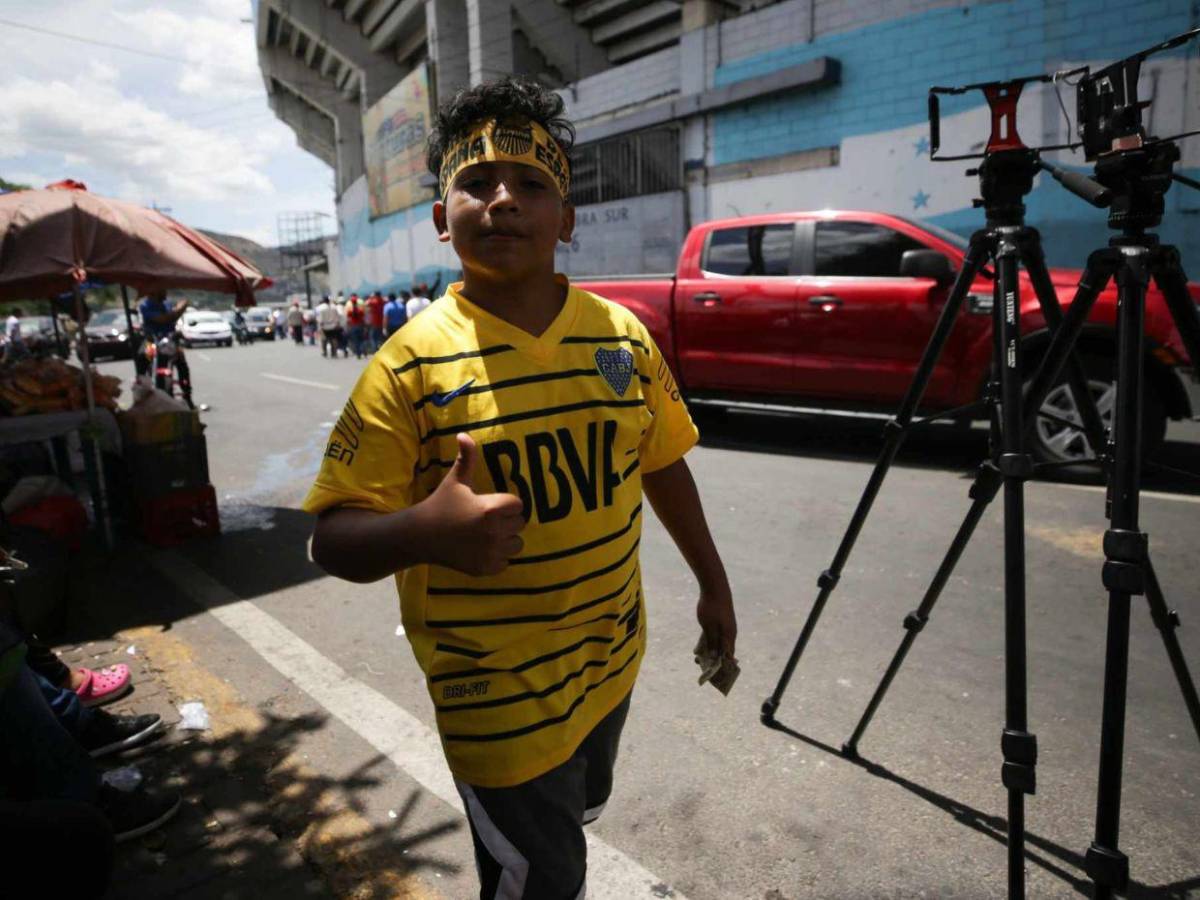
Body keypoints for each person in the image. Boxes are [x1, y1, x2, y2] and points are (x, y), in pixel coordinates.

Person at [304, 76, 737, 900]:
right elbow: (332, 538)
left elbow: (662, 462)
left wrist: (713, 585)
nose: (503, 200)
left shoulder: (623, 338)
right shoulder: (407, 365)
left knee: (573, 822)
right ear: (441, 217)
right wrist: (423, 531)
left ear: (567, 219)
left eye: (531, 184)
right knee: (543, 880)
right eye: (475, 182)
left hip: (609, 663)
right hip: (494, 698)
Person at [137, 290, 193, 408]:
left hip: (170, 341)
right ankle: (142, 390)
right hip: (152, 341)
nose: (166, 292)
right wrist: (180, 309)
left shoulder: (167, 304)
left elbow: (172, 317)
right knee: (143, 357)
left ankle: (187, 394)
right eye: (162, 289)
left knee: (182, 363)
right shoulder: (145, 305)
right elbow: (165, 318)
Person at [344, 294, 366, 359]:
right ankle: (364, 352)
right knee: (361, 340)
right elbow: (363, 317)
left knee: (356, 341)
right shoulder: (360, 310)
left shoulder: (350, 311)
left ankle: (358, 354)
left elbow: (348, 319)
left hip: (353, 326)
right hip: (360, 326)